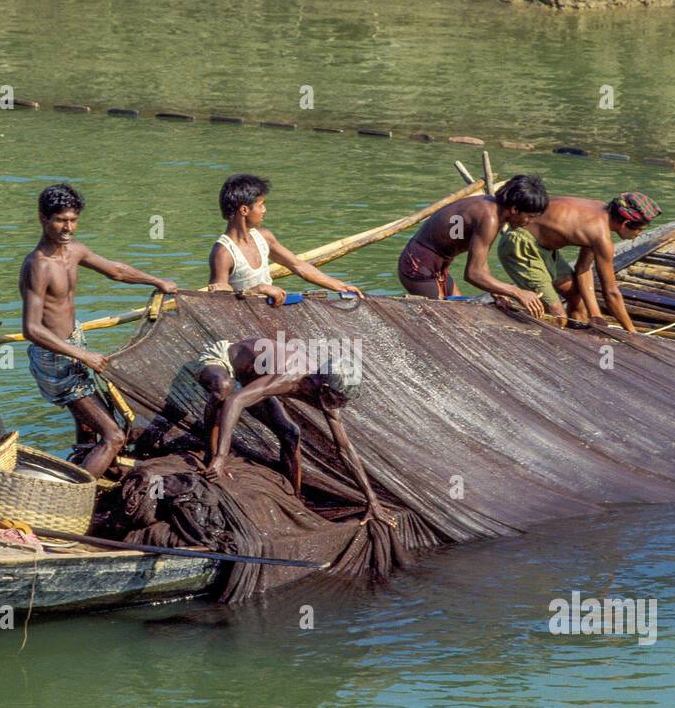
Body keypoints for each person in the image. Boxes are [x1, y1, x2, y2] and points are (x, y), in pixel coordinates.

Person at [20, 183, 178, 478]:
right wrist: (83, 354)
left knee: (89, 426)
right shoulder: (37, 266)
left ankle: (83, 471)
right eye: (60, 221)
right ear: (42, 218)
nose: (68, 227)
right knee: (114, 435)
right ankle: (73, 499)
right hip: (54, 359)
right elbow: (30, 329)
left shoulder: (74, 250)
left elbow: (116, 270)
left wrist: (156, 281)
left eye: (73, 220)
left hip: (74, 346)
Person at [196, 336, 393, 526]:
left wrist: (372, 501)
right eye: (338, 399)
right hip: (226, 363)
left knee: (291, 433)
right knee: (224, 389)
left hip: (253, 382)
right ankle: (211, 458)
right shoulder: (290, 376)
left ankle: (295, 499)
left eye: (343, 402)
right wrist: (222, 456)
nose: (339, 406)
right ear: (323, 388)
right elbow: (234, 400)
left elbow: (345, 450)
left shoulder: (330, 398)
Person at [499, 191, 662, 332]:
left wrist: (595, 314)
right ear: (625, 223)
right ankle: (508, 296)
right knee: (557, 316)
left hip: (545, 248)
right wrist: (631, 333)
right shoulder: (601, 237)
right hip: (520, 245)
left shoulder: (602, 214)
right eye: (640, 229)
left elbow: (583, 268)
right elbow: (611, 293)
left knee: (577, 298)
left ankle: (575, 333)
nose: (639, 234)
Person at [396, 174, 549, 315]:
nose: (528, 222)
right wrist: (516, 292)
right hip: (418, 266)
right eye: (529, 216)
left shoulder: (493, 208)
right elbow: (473, 274)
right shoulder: (489, 218)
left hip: (437, 266)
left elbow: (480, 261)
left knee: (460, 313)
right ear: (515, 209)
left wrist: (497, 291)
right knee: (447, 317)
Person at [207, 174, 364, 304]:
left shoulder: (263, 237)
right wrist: (258, 290)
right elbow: (220, 298)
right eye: (261, 205)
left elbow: (297, 265)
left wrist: (340, 286)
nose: (264, 210)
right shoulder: (223, 253)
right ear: (244, 210)